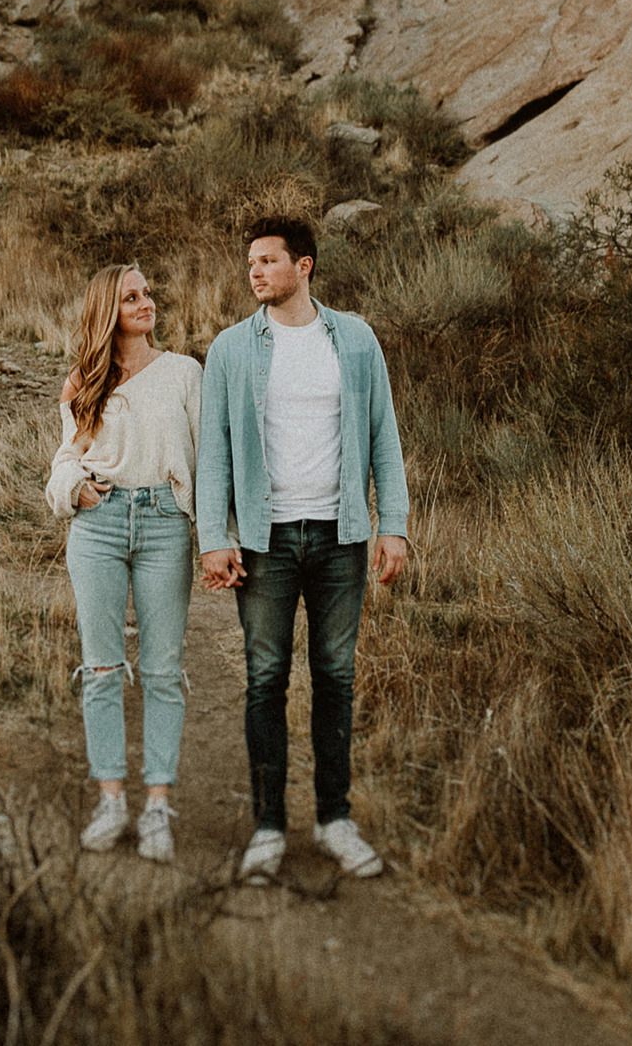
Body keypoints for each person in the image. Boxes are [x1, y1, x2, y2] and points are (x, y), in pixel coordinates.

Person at [196, 215, 409, 884]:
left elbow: (383, 435)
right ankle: (267, 828)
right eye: (250, 262)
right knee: (266, 679)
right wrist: (214, 538)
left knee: (336, 677)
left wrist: (394, 524)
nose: (255, 271)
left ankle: (333, 820)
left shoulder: (355, 340)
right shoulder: (232, 348)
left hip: (341, 537)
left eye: (268, 260)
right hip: (267, 542)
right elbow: (213, 451)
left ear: (304, 265)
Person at [47, 263, 202, 862]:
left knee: (163, 670)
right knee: (102, 667)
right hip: (99, 526)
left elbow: (207, 459)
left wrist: (219, 538)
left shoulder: (184, 372)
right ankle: (111, 801)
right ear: (107, 311)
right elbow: (65, 458)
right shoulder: (83, 382)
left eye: (147, 293)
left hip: (165, 523)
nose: (146, 303)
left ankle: (157, 805)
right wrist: (73, 489)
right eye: (131, 297)